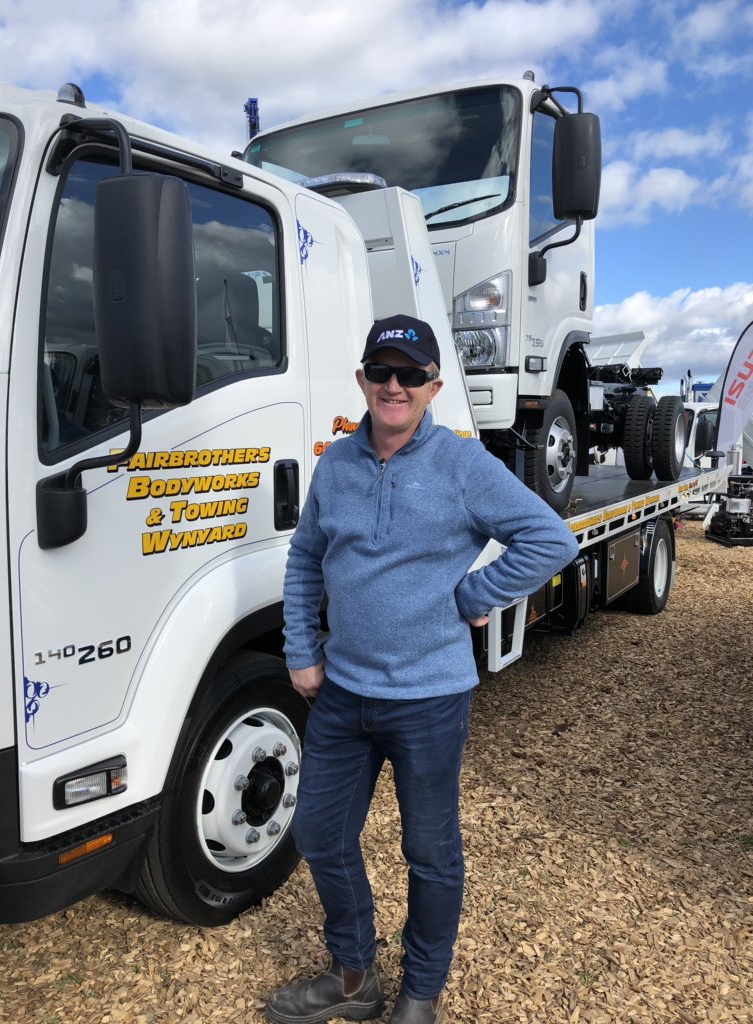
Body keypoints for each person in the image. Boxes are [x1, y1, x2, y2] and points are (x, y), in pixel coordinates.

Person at [266, 314, 579, 1024]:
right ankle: (354, 978)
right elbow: (306, 559)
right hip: (345, 692)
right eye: (382, 372)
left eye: (411, 374)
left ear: (434, 385)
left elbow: (549, 539)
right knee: (318, 832)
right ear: (363, 381)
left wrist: (476, 593)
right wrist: (301, 651)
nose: (395, 386)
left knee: (430, 852)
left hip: (429, 698)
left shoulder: (463, 466)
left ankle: (420, 994)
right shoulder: (336, 465)